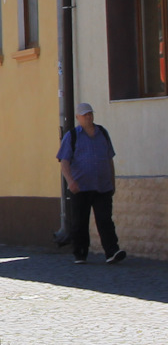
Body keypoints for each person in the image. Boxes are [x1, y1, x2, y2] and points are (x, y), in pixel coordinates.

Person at [58, 102, 124, 265]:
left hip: (102, 186)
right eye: (85, 114)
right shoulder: (72, 136)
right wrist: (71, 181)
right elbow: (64, 162)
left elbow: (109, 159)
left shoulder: (102, 133)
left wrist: (112, 181)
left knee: (105, 219)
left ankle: (112, 251)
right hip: (80, 187)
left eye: (90, 114)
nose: (88, 117)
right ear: (78, 118)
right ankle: (80, 253)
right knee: (80, 222)